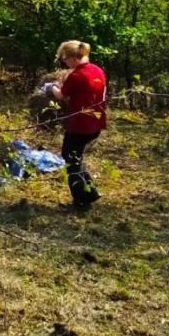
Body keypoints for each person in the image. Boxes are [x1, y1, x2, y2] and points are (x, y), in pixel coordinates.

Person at [47, 40, 107, 209]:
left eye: (64, 58)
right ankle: (90, 193)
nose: (64, 62)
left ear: (73, 57)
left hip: (80, 124)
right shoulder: (97, 70)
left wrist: (51, 87)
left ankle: (82, 201)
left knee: (70, 158)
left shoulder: (77, 75)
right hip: (95, 121)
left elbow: (60, 96)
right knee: (75, 157)